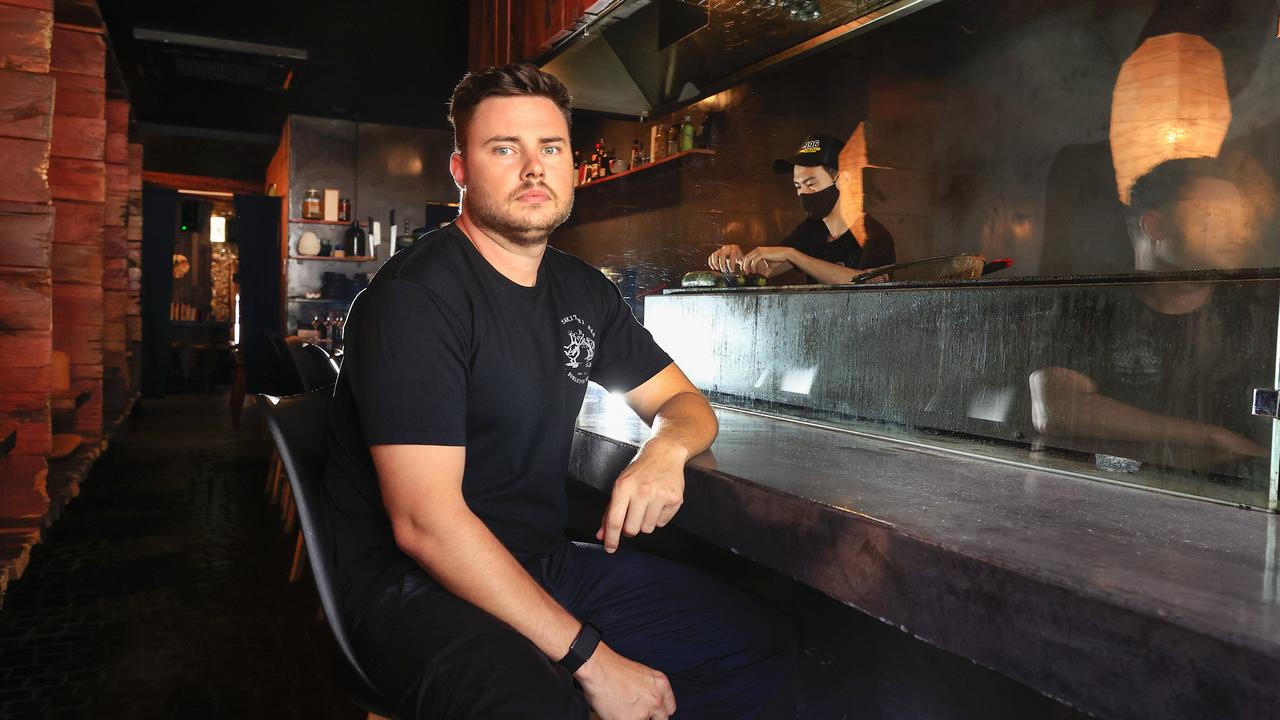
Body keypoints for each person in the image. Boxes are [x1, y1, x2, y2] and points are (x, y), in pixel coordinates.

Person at [323, 64, 795, 720]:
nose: (532, 168)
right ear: (459, 170)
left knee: (763, 645)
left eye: (550, 148)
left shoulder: (582, 291)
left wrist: (663, 451)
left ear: (573, 163)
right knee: (548, 705)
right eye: (504, 148)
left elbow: (684, 404)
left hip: (540, 567)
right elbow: (426, 525)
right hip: (412, 592)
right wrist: (595, 663)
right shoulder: (417, 299)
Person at [1029, 157, 1271, 475]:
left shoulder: (1253, 317)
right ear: (1155, 226)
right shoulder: (1091, 307)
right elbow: (1055, 409)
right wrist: (1212, 437)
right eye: (1216, 217)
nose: (1237, 234)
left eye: (1240, 220)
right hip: (1102, 501)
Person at [707, 134, 895, 284]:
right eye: (798, 186)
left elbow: (870, 285)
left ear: (842, 181)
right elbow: (766, 269)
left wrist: (793, 255)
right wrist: (739, 261)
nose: (803, 193)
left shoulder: (873, 235)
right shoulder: (811, 230)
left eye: (811, 184)